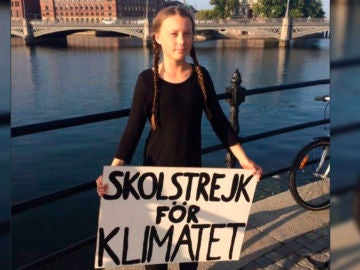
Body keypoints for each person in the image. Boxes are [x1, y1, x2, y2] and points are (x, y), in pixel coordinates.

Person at [96, 5, 262, 270]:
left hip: (191, 180)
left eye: (187, 33)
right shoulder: (146, 82)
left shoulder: (200, 77)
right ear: (157, 37)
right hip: (153, 182)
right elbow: (133, 132)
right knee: (154, 258)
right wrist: (113, 173)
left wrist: (244, 160)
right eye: (173, 34)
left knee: (189, 258)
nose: (181, 41)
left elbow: (219, 123)